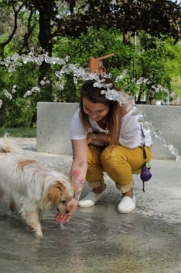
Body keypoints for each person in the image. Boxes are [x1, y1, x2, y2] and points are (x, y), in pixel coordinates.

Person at [55, 78, 153, 224]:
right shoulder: (79, 116)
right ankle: (98, 190)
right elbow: (80, 161)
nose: (93, 116)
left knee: (110, 155)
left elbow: (129, 144)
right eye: (87, 109)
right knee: (85, 153)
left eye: (100, 110)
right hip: (109, 148)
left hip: (137, 152)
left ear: (111, 105)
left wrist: (98, 136)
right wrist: (73, 198)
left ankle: (128, 194)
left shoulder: (127, 112)